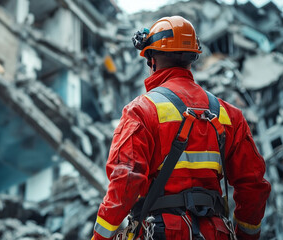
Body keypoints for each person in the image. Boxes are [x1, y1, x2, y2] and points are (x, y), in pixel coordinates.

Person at [91, 16, 270, 240]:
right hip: (217, 232)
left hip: (162, 232)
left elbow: (126, 182)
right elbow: (253, 185)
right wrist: (245, 235)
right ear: (192, 57)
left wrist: (100, 237)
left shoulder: (141, 110)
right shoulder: (229, 115)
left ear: (151, 59)